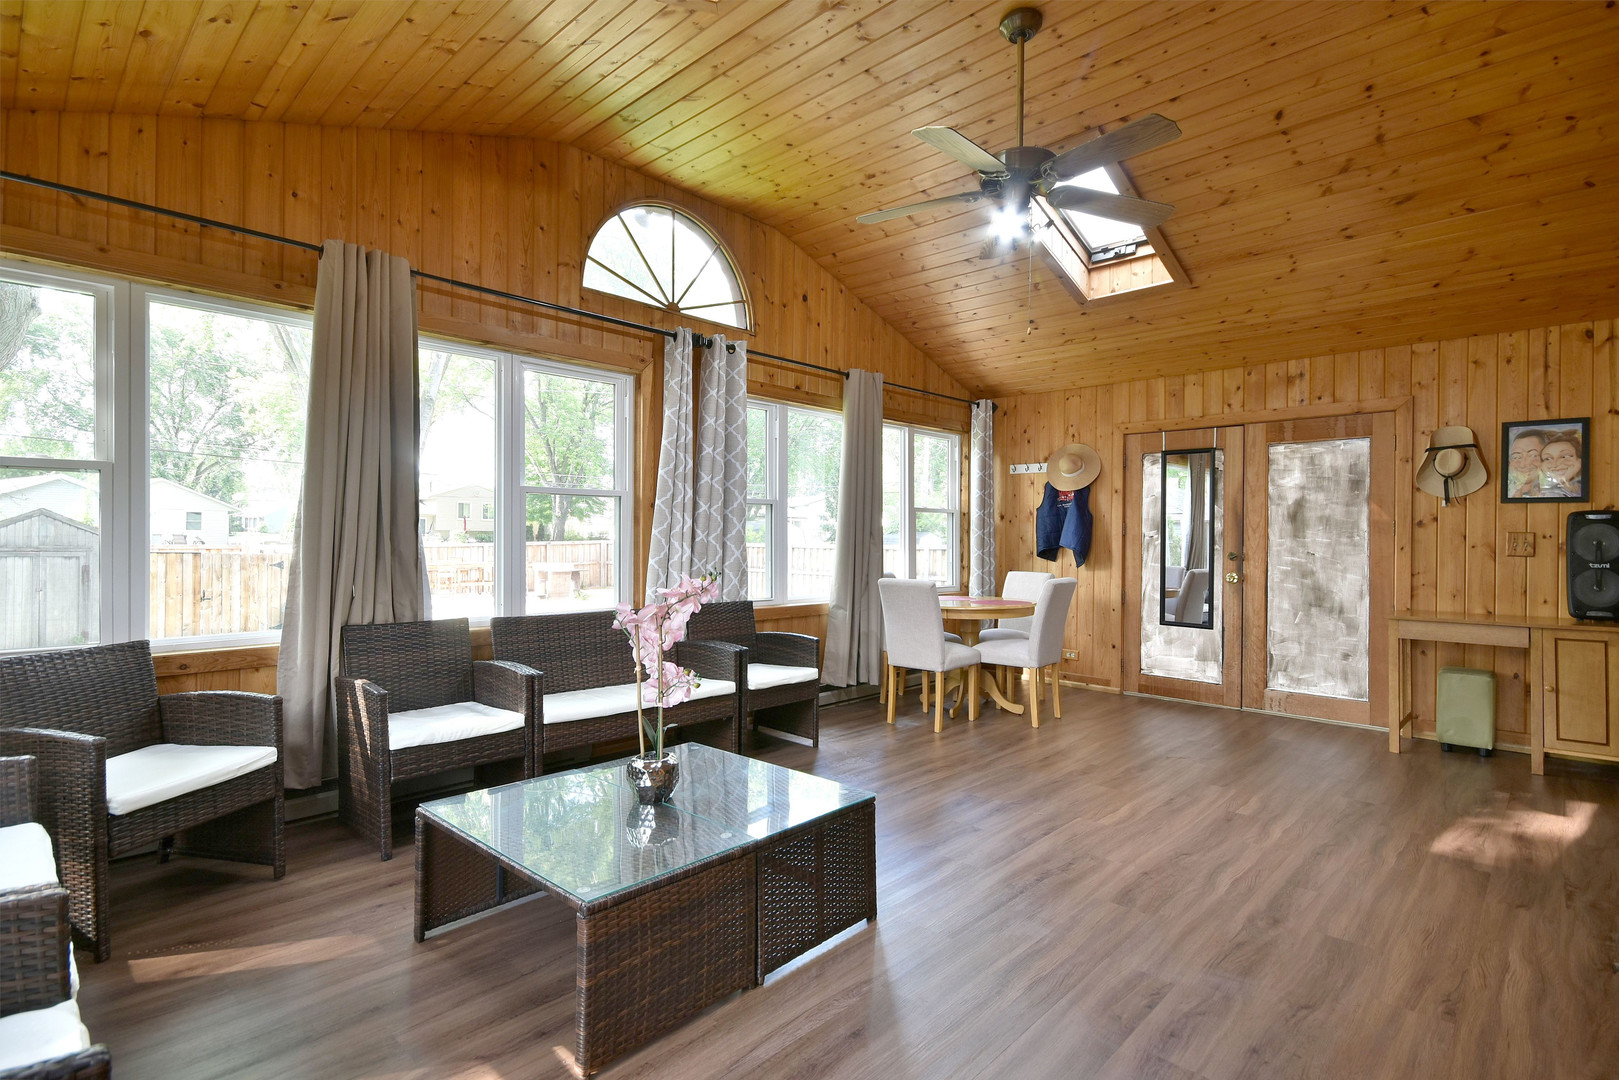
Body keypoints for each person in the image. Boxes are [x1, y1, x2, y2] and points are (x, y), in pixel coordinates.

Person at [1539, 431, 1583, 498]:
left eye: (1565, 456)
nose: (1555, 464)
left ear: (1579, 460)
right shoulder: (1548, 495)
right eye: (1547, 458)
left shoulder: (1583, 487)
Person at [1506, 428, 1547, 498]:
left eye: (1533, 455)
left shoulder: (1555, 492)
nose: (1523, 465)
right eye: (1517, 457)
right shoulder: (1507, 492)